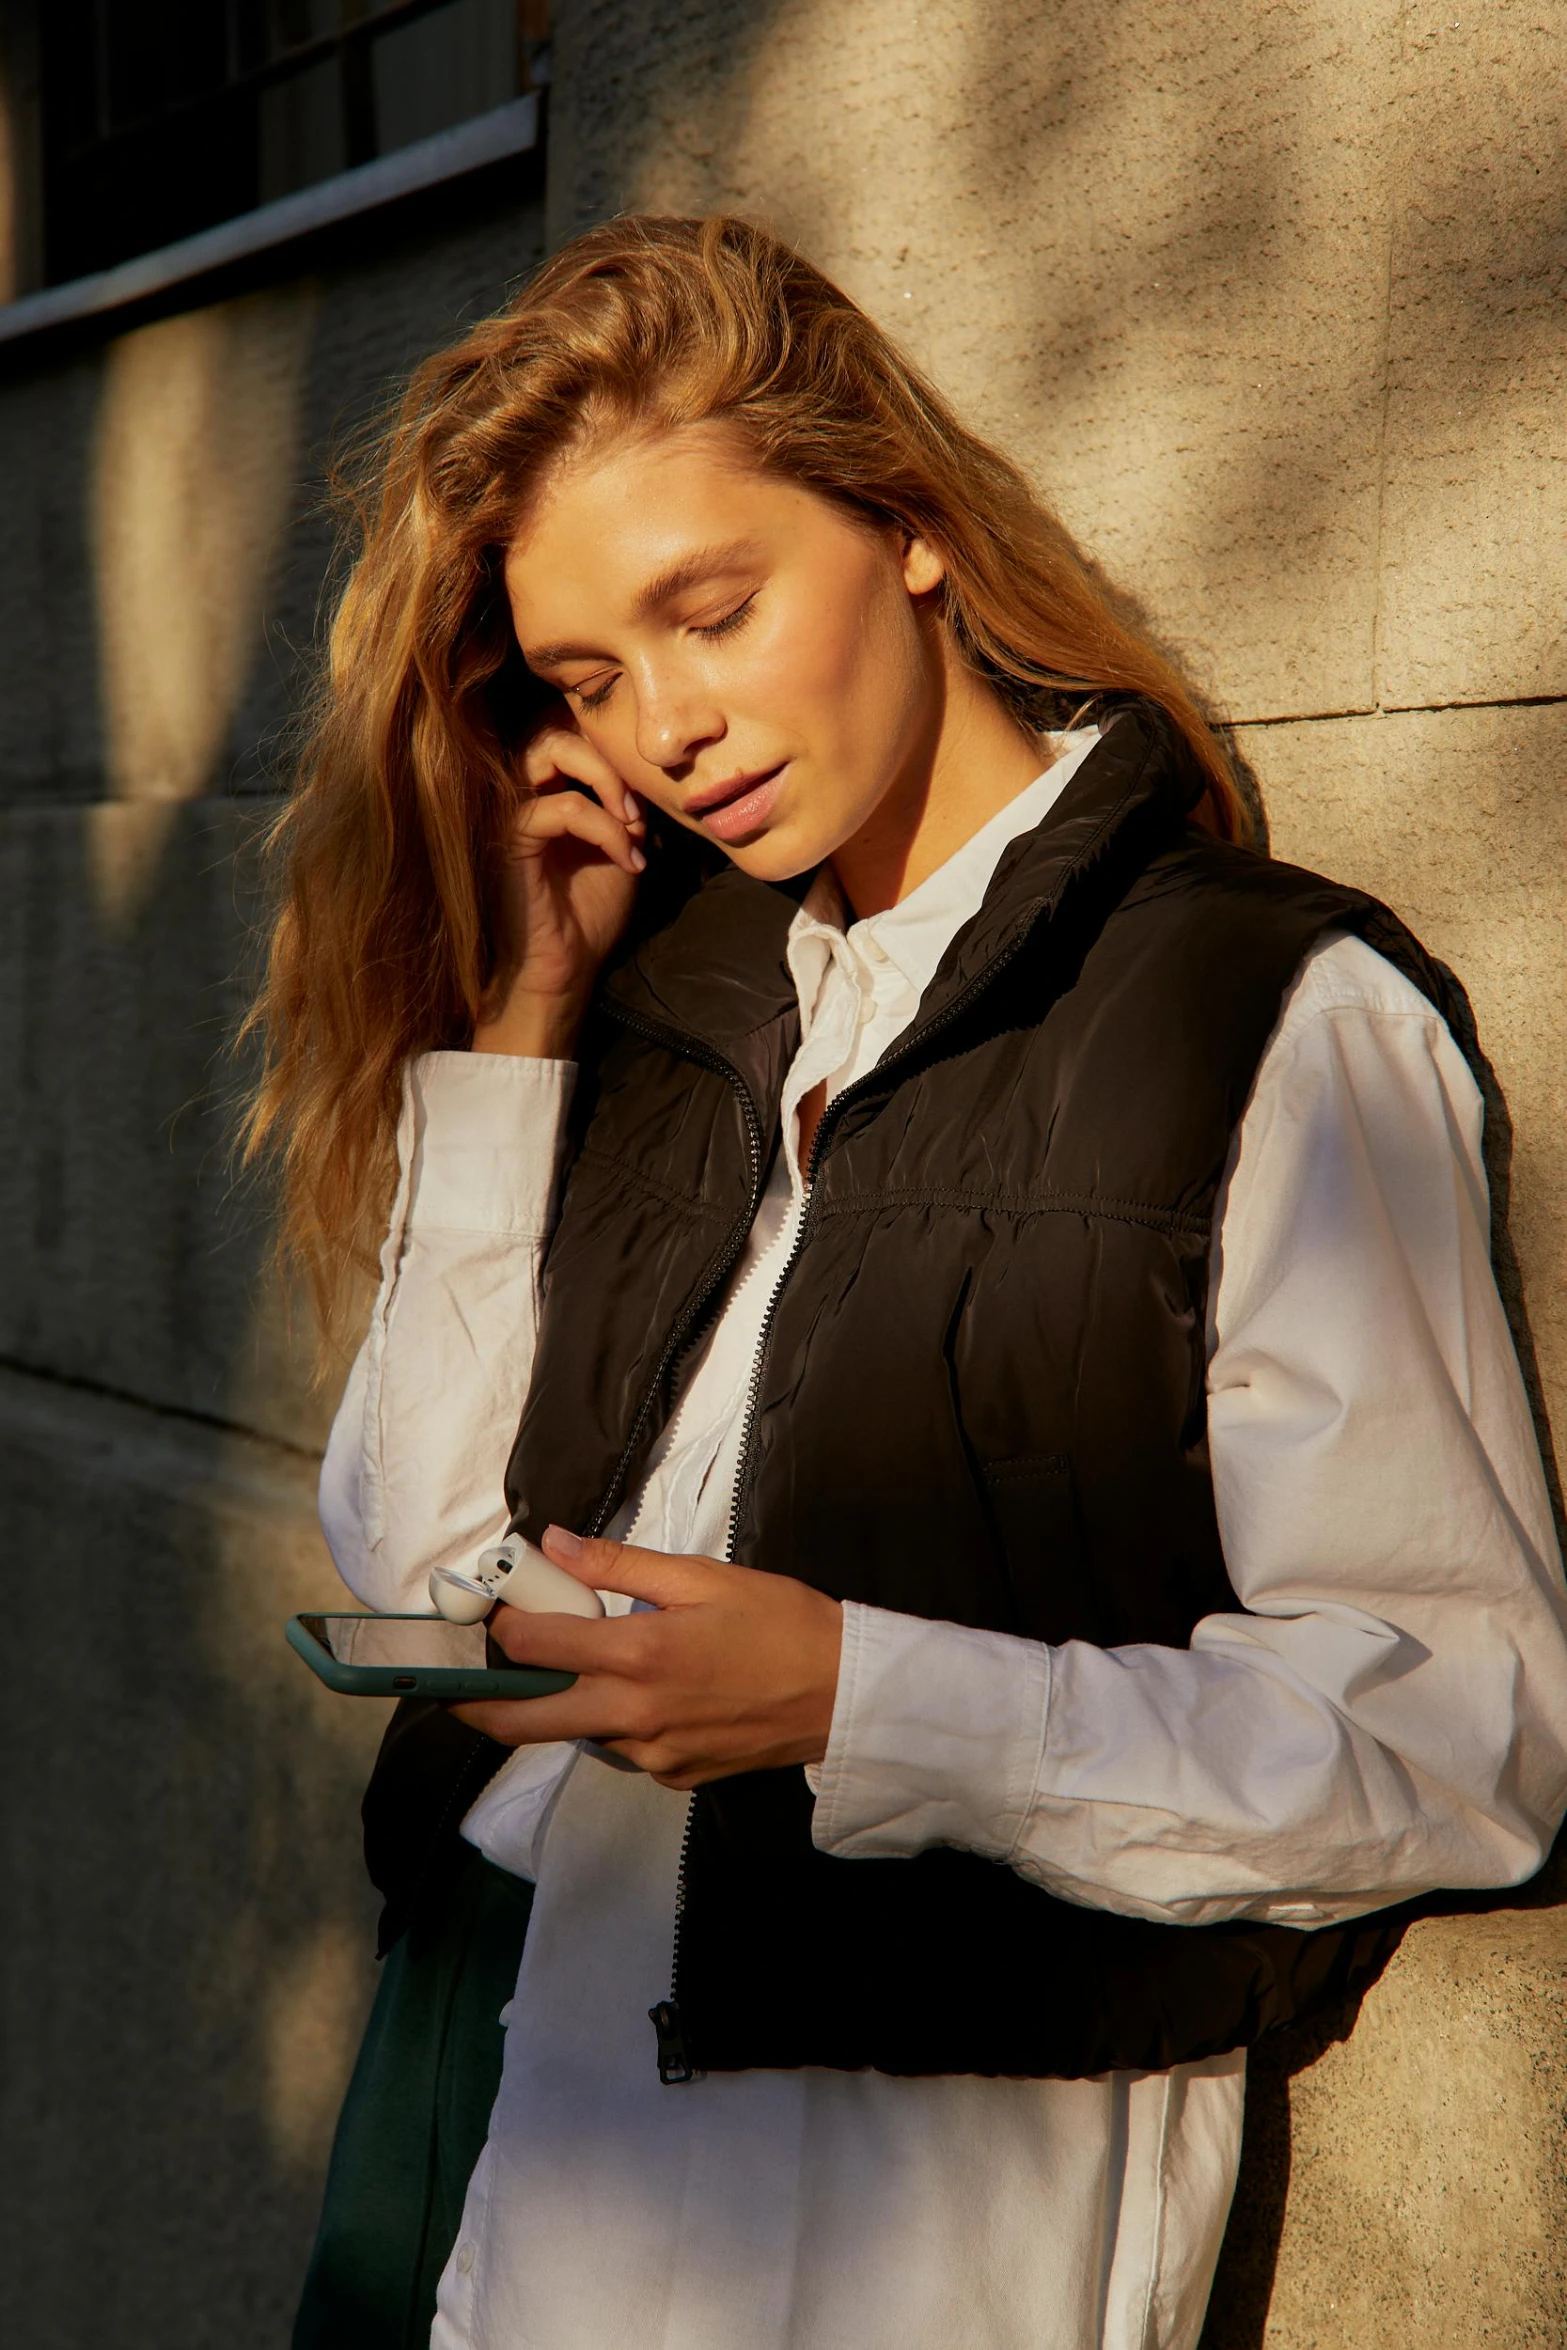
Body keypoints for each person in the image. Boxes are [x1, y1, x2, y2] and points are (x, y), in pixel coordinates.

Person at [250, 216, 1567, 2350]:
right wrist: (514, 1030)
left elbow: (1465, 1733)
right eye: (590, 679)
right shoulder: (669, 1010)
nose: (665, 726)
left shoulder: (1264, 1006)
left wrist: (872, 1697)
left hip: (901, 2234)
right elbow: (427, 1563)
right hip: (504, 2161)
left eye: (714, 608)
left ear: (906, 525)